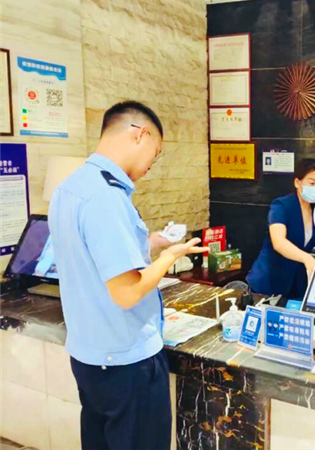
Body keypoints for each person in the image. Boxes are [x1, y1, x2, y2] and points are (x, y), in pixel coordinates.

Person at [48, 101, 207, 450]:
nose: (151, 165)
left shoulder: (69, 188)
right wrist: (169, 257)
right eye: (156, 153)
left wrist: (152, 243)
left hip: (89, 359)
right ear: (140, 134)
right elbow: (127, 292)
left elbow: (94, 258)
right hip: (126, 363)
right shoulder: (106, 197)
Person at [247, 159, 315, 300]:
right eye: (312, 183)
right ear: (297, 183)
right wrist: (307, 258)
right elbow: (279, 243)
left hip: (294, 283)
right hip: (269, 281)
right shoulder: (281, 205)